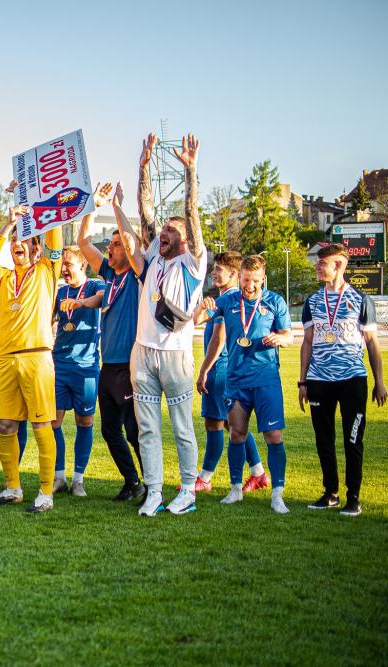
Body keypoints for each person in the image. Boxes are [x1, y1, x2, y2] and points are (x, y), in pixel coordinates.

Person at [121, 132, 207, 517]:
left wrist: (191, 172)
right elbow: (145, 213)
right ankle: (154, 490)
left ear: (187, 239)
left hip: (174, 355)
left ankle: (187, 489)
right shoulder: (155, 258)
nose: (165, 234)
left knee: (181, 426)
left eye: (173, 231)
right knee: (147, 428)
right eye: (165, 231)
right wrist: (143, 168)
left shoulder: (194, 263)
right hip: (143, 351)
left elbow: (192, 215)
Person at [0, 203, 64, 514]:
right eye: (15, 244)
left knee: (41, 426)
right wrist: (9, 226)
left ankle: (46, 492)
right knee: (7, 424)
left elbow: (56, 242)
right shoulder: (3, 276)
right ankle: (12, 487)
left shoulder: (47, 271)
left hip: (37, 357)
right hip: (6, 358)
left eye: (25, 242)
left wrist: (48, 207)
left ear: (37, 248)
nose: (18, 246)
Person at [199, 255, 293, 513]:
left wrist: (280, 338)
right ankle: (235, 489)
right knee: (237, 433)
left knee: (274, 436)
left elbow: (289, 336)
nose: (249, 285)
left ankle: (277, 494)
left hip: (266, 379)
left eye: (254, 280)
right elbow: (197, 319)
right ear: (239, 277)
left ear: (263, 278)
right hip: (236, 380)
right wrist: (202, 306)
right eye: (245, 279)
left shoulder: (275, 301)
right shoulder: (228, 300)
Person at [300, 243, 387, 517]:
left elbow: (372, 343)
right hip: (319, 380)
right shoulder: (312, 302)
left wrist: (380, 381)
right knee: (323, 439)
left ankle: (353, 497)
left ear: (339, 265)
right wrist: (303, 382)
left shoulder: (361, 300)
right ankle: (330, 493)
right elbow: (308, 342)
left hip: (352, 380)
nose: (317, 266)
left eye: (321, 262)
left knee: (353, 440)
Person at [78, 187, 144, 500]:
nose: (112, 248)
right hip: (108, 366)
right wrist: (92, 206)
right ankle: (132, 482)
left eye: (117, 244)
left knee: (135, 431)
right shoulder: (108, 274)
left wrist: (118, 207)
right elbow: (83, 243)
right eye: (112, 243)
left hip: (130, 366)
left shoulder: (134, 274)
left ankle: (151, 485)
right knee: (109, 430)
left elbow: (132, 244)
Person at [193, 252, 265, 493]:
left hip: (221, 368)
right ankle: (255, 473)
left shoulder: (233, 299)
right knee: (224, 423)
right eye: (214, 268)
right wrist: (204, 306)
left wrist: (204, 369)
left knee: (223, 424)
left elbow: (219, 337)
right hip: (223, 369)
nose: (214, 272)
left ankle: (208, 478)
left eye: (219, 269)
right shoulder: (223, 298)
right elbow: (196, 320)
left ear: (235, 274)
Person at [51, 245, 105, 496]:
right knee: (53, 422)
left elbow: (103, 299)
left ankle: (79, 479)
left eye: (69, 265)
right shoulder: (59, 291)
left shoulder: (94, 286)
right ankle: (58, 476)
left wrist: (80, 302)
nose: (64, 270)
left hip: (86, 367)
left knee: (85, 422)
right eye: (62, 265)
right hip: (59, 364)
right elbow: (47, 318)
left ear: (82, 266)